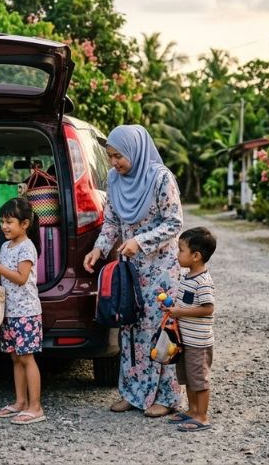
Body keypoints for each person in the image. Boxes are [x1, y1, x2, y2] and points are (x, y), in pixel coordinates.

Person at [83, 124, 183, 418]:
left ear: (135, 151)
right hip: (131, 270)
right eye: (111, 156)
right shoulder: (113, 180)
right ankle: (133, 393)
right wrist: (99, 249)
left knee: (159, 332)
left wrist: (140, 241)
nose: (114, 163)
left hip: (162, 269)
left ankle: (166, 397)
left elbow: (174, 222)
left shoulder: (161, 178)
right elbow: (111, 223)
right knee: (129, 329)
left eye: (119, 156)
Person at [0, 197, 46, 426]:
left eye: (10, 221)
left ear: (25, 224)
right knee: (16, 358)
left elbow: (20, 278)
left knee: (27, 358)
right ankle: (20, 402)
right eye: (3, 221)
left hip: (26, 312)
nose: (5, 226)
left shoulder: (26, 247)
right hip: (9, 312)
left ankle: (35, 407)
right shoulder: (4, 246)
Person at [164, 227, 216, 432]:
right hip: (185, 340)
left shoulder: (203, 281)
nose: (177, 255)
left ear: (196, 256)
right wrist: (172, 307)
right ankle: (192, 410)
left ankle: (202, 416)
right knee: (186, 376)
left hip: (198, 343)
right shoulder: (187, 277)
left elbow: (208, 308)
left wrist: (180, 312)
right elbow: (184, 305)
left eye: (180, 250)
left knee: (199, 379)